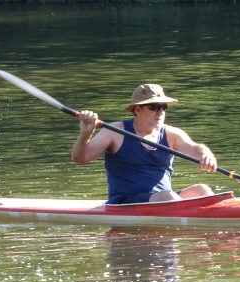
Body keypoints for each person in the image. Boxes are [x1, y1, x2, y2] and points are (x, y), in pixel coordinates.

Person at [72, 83, 217, 204]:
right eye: (154, 107)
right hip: (125, 202)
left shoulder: (171, 134)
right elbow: (79, 158)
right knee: (167, 196)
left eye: (163, 107)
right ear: (138, 109)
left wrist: (206, 154)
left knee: (201, 189)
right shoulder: (115, 132)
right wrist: (86, 134)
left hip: (165, 200)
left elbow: (195, 148)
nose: (160, 112)